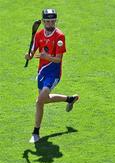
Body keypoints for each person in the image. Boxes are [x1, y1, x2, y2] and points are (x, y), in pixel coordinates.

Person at [25, 9, 79, 143]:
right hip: (42, 72)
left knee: (39, 101)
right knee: (44, 99)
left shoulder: (59, 36)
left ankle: (35, 132)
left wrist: (46, 56)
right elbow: (32, 52)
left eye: (52, 21)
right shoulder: (38, 35)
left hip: (53, 73)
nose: (50, 24)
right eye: (47, 21)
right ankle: (69, 99)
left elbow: (58, 59)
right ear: (43, 22)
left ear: (55, 21)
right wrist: (29, 56)